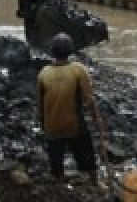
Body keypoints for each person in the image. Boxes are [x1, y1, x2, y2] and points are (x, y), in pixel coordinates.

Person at [36, 33, 108, 182]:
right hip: (73, 124)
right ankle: (93, 178)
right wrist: (97, 119)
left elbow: (40, 104)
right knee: (85, 148)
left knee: (55, 153)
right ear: (71, 51)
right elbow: (90, 100)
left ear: (53, 51)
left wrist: (43, 123)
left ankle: (58, 179)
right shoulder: (78, 70)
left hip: (52, 126)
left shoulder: (43, 73)